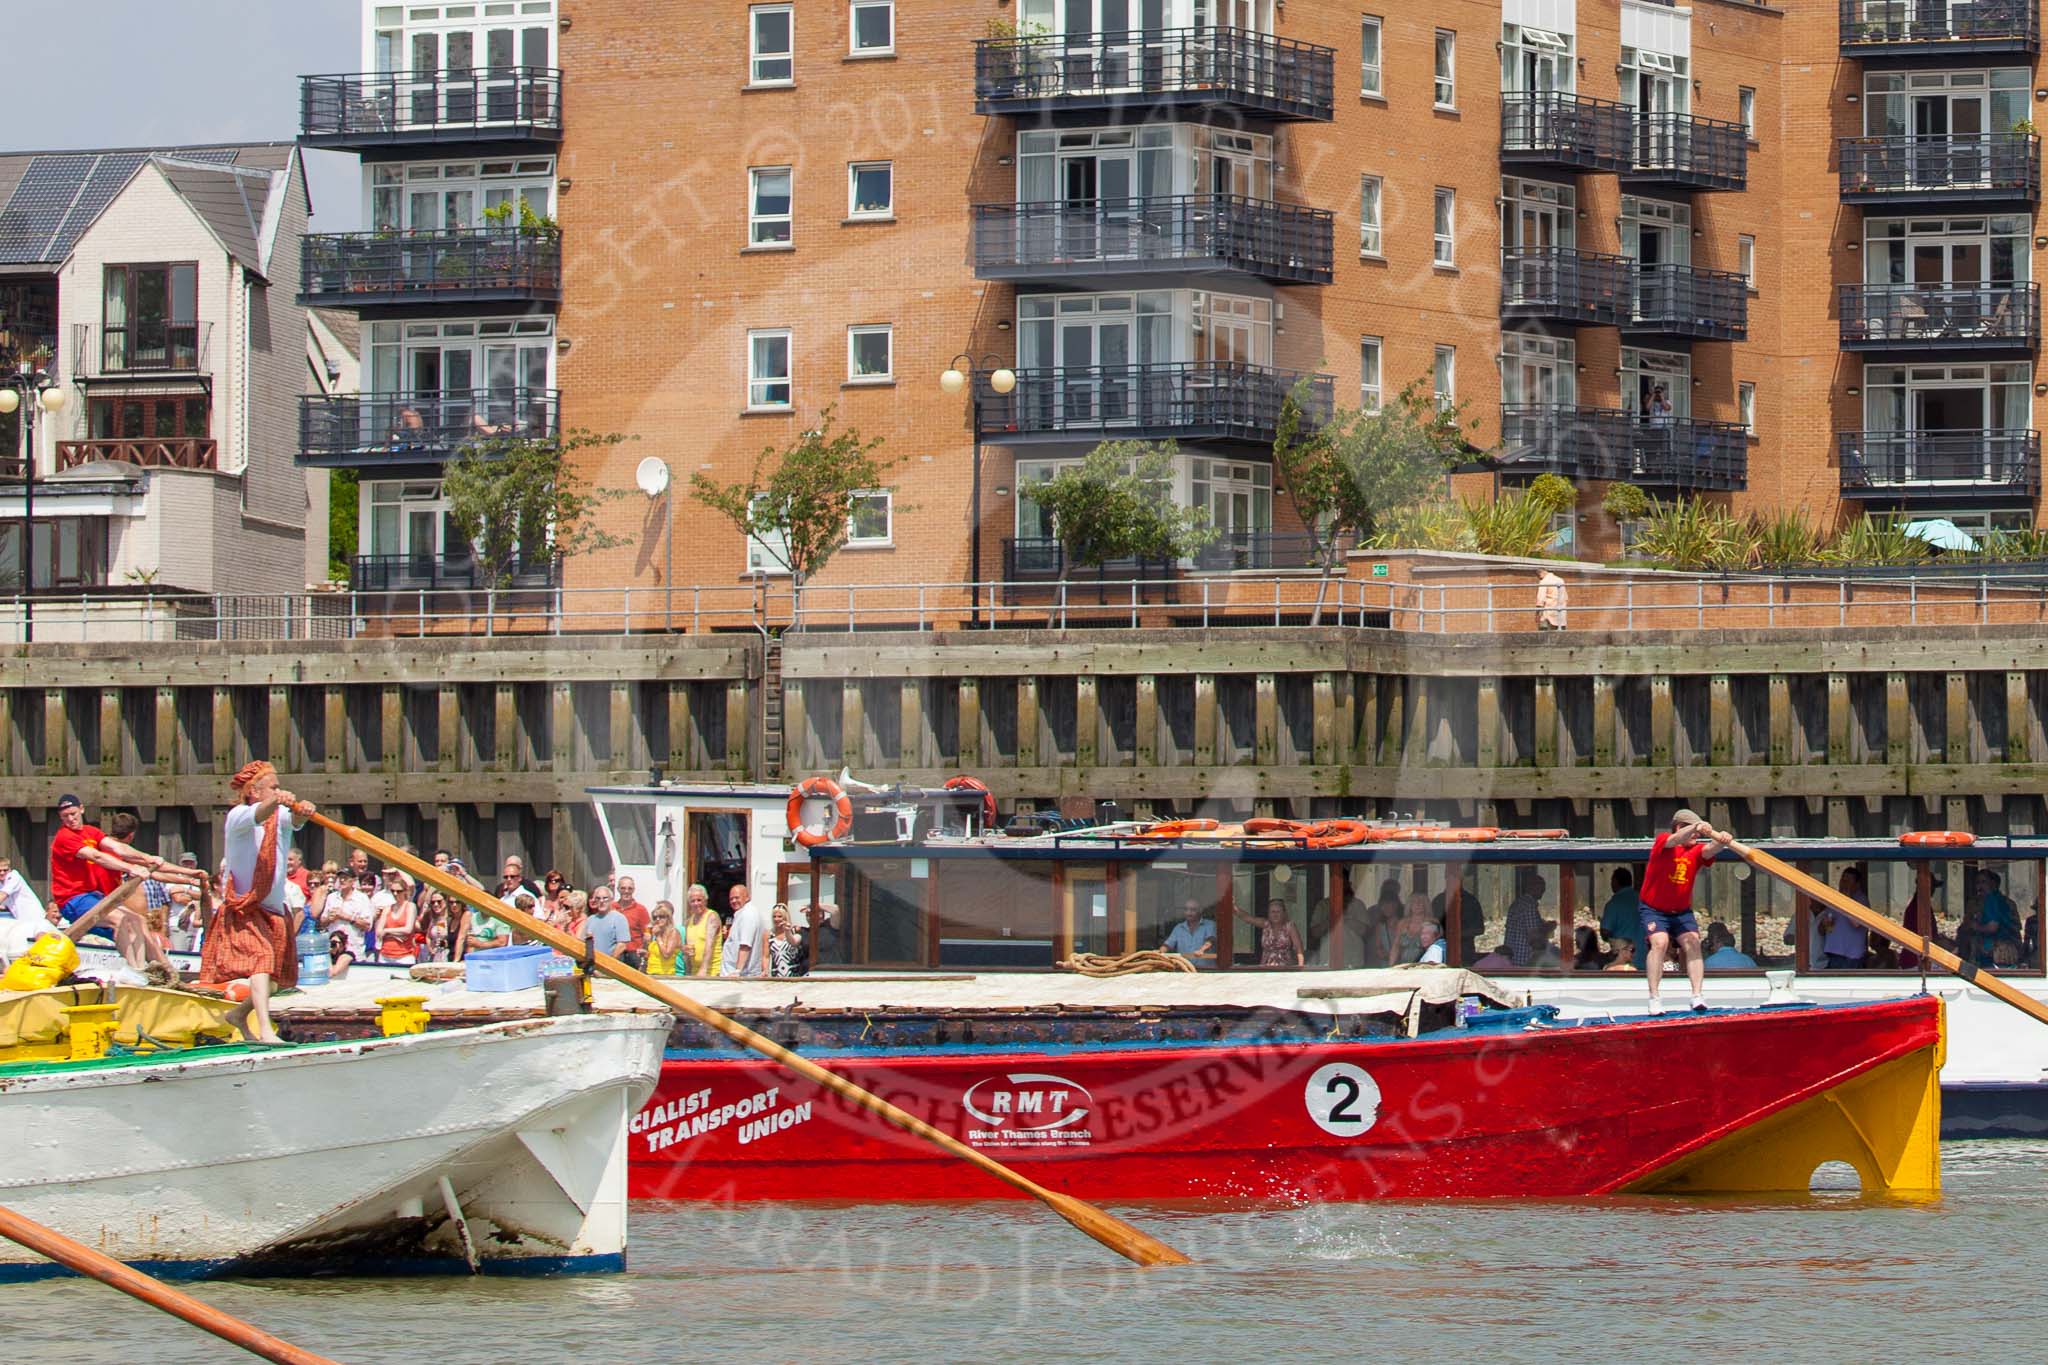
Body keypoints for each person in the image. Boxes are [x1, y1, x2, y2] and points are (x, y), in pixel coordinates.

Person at [202, 762, 313, 1045]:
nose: (278, 790)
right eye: (273, 787)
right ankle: (266, 1032)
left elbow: (296, 822)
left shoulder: (280, 815)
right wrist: (276, 800)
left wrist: (304, 811)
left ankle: (239, 1014)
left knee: (276, 980)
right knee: (262, 963)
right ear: (254, 791)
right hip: (245, 908)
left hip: (275, 911)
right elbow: (260, 813)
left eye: (277, 786)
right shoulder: (238, 817)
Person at [49, 795, 175, 976]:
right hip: (73, 899)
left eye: (73, 814)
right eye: (65, 817)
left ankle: (166, 971)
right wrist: (131, 868)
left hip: (93, 896)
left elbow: (119, 848)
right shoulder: (64, 837)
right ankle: (136, 971)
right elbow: (96, 856)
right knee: (121, 920)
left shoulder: (91, 832)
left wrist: (146, 858)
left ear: (81, 809)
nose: (70, 819)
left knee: (138, 920)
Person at [1639, 807, 1735, 1014]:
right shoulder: (1663, 842)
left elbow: (1710, 850)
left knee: (1692, 942)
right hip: (1654, 909)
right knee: (1660, 942)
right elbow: (1673, 840)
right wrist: (1695, 826)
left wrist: (1722, 840)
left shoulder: (1696, 852)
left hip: (1681, 911)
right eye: (1694, 832)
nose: (1697, 836)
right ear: (1680, 827)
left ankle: (1697, 995)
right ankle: (1654, 997)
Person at [1967, 868, 2023, 969]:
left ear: (1993, 884)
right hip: (1985, 951)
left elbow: (1993, 927)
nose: (1980, 886)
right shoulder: (1975, 903)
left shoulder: (1994, 900)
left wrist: (1976, 927)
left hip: (2000, 952)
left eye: (1983, 882)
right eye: (1977, 883)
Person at [1817, 867, 1870, 970]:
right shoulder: (1834, 900)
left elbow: (1856, 923)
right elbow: (1821, 931)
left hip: (1851, 957)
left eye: (1848, 881)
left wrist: (1847, 899)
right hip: (1832, 954)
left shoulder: (1861, 900)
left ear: (1857, 885)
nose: (1843, 884)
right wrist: (1824, 924)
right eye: (1842, 880)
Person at [1229, 897, 1305, 968]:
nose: (1275, 914)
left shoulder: (1290, 926)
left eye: (1278, 912)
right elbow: (1247, 918)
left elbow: (1299, 948)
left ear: (1284, 913)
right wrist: (1232, 906)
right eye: (1272, 912)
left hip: (1285, 967)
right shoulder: (1265, 924)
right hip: (1266, 966)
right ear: (1268, 914)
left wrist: (1300, 968)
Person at [1433, 867, 1484, 966]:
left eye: (1455, 877)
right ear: (1445, 877)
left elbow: (1479, 929)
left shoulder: (1471, 901)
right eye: (1449, 876)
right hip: (1439, 952)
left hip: (1465, 953)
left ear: (1461, 879)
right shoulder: (1438, 901)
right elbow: (1430, 926)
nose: (1452, 880)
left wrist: (1456, 934)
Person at [1599, 868, 1645, 969]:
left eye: (1611, 881)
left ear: (1615, 882)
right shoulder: (1643, 901)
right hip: (1646, 960)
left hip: (1623, 963)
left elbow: (1605, 932)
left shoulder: (1614, 904)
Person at [721, 883, 769, 977]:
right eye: (731, 899)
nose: (734, 901)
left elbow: (745, 945)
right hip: (739, 974)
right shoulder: (745, 913)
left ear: (747, 897)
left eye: (737, 897)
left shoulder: (748, 914)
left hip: (741, 976)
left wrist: (737, 971)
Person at [1503, 873, 1549, 968]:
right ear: (1532, 887)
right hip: (1524, 959)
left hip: (1510, 958)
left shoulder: (1517, 903)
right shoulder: (1529, 906)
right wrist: (1547, 929)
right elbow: (1534, 937)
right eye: (1541, 888)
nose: (1543, 891)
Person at [373, 876, 420, 965]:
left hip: (405, 956)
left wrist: (387, 931)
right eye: (393, 891)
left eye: (399, 891)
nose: (395, 894)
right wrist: (399, 935)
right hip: (385, 955)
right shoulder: (387, 908)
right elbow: (379, 932)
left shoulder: (410, 906)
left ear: (405, 891)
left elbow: (408, 930)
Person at [681, 883, 723, 976]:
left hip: (711, 972)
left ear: (705, 900)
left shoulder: (711, 917)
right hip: (694, 972)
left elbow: (709, 946)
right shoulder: (688, 922)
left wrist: (703, 970)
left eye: (699, 900)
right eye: (693, 901)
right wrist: (685, 949)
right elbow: (686, 947)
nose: (696, 903)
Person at [613, 874, 652, 971]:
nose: (626, 891)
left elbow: (647, 934)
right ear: (618, 889)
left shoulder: (640, 909)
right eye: (623, 888)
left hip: (634, 953)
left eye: (630, 889)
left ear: (633, 890)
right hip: (616, 953)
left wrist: (644, 949)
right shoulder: (612, 908)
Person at [580, 889, 632, 960]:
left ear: (611, 899)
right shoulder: (590, 920)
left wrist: (609, 963)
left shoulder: (619, 918)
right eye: (598, 898)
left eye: (605, 898)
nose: (601, 901)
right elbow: (581, 942)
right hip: (591, 966)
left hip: (610, 966)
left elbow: (622, 945)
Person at [1162, 900, 1217, 967]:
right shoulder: (1178, 928)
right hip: (1184, 970)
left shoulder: (1210, 925)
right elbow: (1168, 945)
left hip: (1206, 971)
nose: (1189, 913)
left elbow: (1211, 940)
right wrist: (1160, 952)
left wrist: (1201, 950)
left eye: (1193, 910)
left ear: (1200, 910)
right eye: (1186, 909)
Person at [768, 902, 808, 978]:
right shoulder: (769, 934)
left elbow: (794, 942)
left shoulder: (795, 931)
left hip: (794, 975)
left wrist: (787, 931)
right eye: (774, 916)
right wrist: (765, 971)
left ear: (785, 917)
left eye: (780, 916)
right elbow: (765, 956)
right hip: (776, 975)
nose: (776, 919)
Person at [646, 901, 683, 975]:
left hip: (666, 975)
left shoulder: (673, 932)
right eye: (655, 917)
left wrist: (658, 937)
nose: (658, 919)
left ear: (668, 918)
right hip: (651, 973)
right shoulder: (656, 932)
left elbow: (666, 954)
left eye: (661, 916)